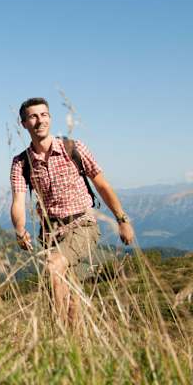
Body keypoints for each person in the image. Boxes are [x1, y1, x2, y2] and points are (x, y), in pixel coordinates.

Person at [10, 97, 135, 327]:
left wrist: (122, 219)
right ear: (24, 123)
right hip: (50, 232)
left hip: (83, 223)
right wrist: (20, 229)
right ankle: (75, 345)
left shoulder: (73, 149)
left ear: (50, 117)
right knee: (68, 289)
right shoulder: (21, 162)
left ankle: (59, 336)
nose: (40, 120)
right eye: (33, 116)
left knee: (54, 265)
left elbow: (102, 185)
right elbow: (18, 200)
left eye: (44, 114)